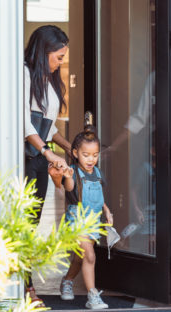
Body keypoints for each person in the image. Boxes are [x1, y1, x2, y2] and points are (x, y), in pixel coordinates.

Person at [23, 25, 72, 307]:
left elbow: (48, 126)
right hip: (27, 158)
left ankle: (24, 283)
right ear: (44, 52)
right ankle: (26, 287)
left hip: (40, 159)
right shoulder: (25, 74)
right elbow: (24, 122)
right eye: (59, 57)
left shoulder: (49, 81)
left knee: (33, 222)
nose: (60, 63)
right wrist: (46, 151)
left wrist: (69, 149)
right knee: (24, 224)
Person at [59, 125, 113, 310]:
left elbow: (100, 196)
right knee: (89, 255)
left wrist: (107, 210)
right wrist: (67, 177)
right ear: (75, 153)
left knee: (81, 258)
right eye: (86, 155)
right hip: (78, 220)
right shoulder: (73, 171)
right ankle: (92, 296)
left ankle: (67, 280)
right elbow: (68, 188)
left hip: (94, 221)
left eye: (95, 155)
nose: (91, 160)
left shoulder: (97, 173)